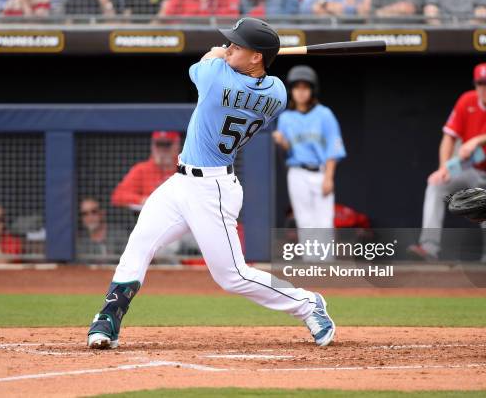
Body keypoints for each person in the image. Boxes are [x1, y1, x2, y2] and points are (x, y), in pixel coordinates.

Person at [87, 17, 335, 350]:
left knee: (232, 276)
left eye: (238, 44)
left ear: (257, 56)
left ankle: (308, 304)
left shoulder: (216, 77)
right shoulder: (276, 92)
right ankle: (108, 317)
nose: (230, 46)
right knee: (139, 245)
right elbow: (244, 72)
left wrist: (217, 53)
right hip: (180, 183)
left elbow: (202, 65)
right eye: (230, 43)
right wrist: (233, 55)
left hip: (212, 190)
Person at [407, 63, 486, 261]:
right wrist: (443, 167)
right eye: (480, 83)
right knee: (436, 184)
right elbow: (448, 137)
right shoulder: (467, 100)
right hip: (470, 168)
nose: (484, 88)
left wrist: (478, 139)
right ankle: (429, 248)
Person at [273, 65, 346, 261]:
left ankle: (325, 262)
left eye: (306, 87)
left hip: (320, 171)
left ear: (313, 90)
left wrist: (329, 177)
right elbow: (287, 150)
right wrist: (282, 142)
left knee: (324, 220)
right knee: (305, 220)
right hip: (297, 172)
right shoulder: (286, 117)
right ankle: (310, 262)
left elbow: (334, 147)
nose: (301, 91)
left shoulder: (324, 114)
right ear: (292, 91)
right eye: (297, 87)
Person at [111, 131, 180, 209]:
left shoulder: (184, 168)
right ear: (152, 146)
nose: (162, 149)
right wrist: (145, 200)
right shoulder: (142, 169)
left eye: (167, 145)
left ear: (176, 145)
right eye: (159, 144)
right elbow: (118, 196)